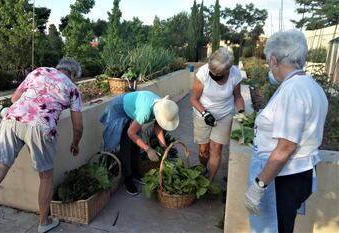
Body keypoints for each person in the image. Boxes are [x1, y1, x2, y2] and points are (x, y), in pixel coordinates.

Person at [0, 58, 84, 233]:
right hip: (42, 127)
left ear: (59, 68)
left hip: (12, 119)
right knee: (46, 177)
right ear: (73, 75)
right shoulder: (72, 89)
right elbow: (79, 127)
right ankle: (43, 223)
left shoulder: (38, 71)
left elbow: (15, 98)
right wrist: (75, 143)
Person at [244, 30, 328, 233]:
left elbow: (286, 146)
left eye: (267, 61)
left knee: (275, 228)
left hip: (284, 179)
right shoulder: (310, 86)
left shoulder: (293, 90)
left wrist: (259, 185)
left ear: (274, 59)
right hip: (298, 175)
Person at [100, 90, 179, 195]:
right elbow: (130, 133)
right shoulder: (145, 112)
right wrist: (148, 149)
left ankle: (136, 173)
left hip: (132, 110)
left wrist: (164, 146)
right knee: (127, 145)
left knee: (136, 145)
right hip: (119, 109)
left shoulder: (162, 106)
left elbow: (158, 128)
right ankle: (127, 179)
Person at [190, 48, 245, 181]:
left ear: (228, 69)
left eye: (218, 73)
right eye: (212, 71)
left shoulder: (235, 75)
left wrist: (241, 112)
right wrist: (205, 114)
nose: (213, 74)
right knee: (203, 150)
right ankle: (203, 169)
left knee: (216, 148)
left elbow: (238, 97)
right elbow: (194, 99)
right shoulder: (202, 73)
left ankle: (209, 180)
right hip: (202, 113)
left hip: (225, 114)